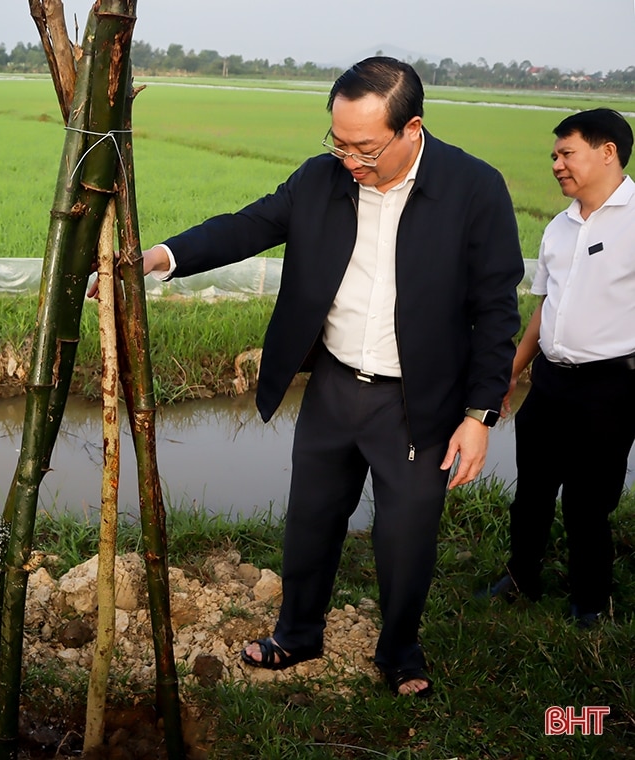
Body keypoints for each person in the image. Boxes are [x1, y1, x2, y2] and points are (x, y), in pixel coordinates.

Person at [135, 57, 522, 696]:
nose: (348, 158)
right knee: (311, 517)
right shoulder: (322, 179)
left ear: (411, 129)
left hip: (419, 401)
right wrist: (164, 256)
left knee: (406, 535)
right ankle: (298, 632)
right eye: (337, 142)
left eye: (363, 147)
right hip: (336, 384)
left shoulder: (473, 188)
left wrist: (479, 416)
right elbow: (248, 225)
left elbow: (496, 309)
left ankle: (400, 651)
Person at [482, 109, 635, 629]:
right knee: (532, 491)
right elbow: (545, 310)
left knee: (589, 502)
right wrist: (510, 373)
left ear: (607, 151)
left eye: (566, 153)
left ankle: (589, 602)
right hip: (550, 381)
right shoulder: (559, 227)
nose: (556, 164)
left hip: (611, 385)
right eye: (554, 155)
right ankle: (521, 577)